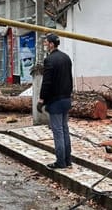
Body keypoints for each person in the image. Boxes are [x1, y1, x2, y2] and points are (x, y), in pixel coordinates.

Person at [38, 32, 73, 170]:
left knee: (57, 131)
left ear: (52, 44)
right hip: (65, 99)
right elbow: (69, 78)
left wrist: (41, 99)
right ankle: (68, 159)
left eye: (46, 42)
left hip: (55, 101)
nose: (45, 45)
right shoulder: (66, 58)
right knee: (65, 129)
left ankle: (60, 162)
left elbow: (46, 82)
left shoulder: (50, 60)